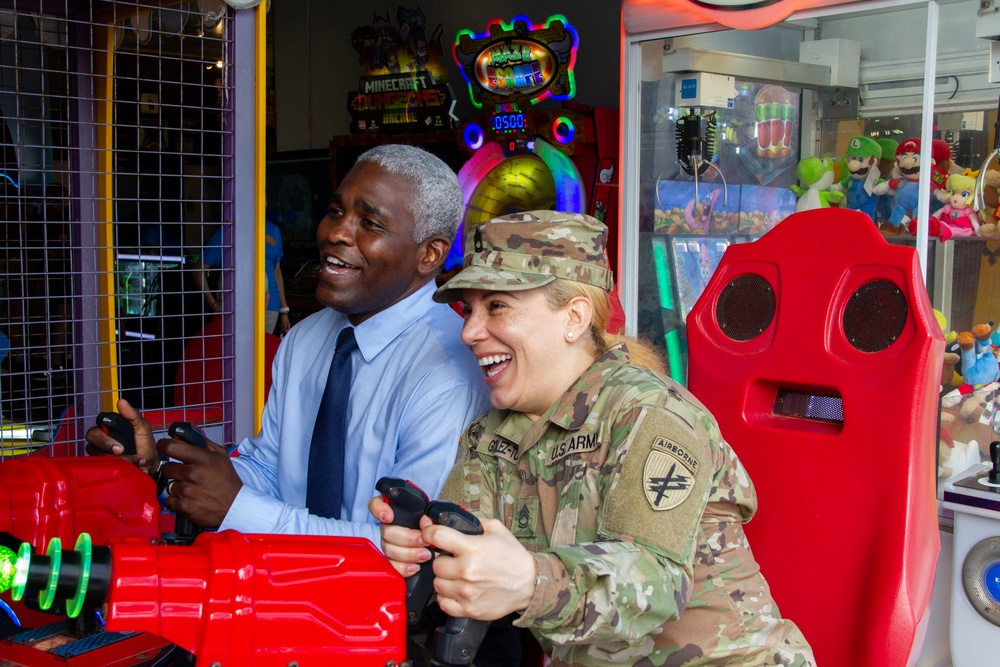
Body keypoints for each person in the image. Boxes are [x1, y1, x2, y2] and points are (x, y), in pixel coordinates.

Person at [370, 211, 816, 667]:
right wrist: (424, 555)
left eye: (497, 306)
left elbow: (658, 585)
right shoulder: (490, 436)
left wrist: (530, 582)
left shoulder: (649, 413)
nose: (468, 332)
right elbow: (470, 567)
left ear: (575, 317)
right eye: (469, 310)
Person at [87, 144, 490, 544]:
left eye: (370, 223)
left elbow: (405, 548)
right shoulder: (304, 339)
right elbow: (270, 471)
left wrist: (236, 509)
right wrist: (166, 469)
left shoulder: (449, 375)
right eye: (335, 211)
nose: (334, 233)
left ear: (429, 254)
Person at [264, 219, 291, 336]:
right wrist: (214, 305)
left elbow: (277, 271)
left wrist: (284, 311)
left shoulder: (273, 230)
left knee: (265, 343)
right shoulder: (237, 228)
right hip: (243, 301)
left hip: (271, 303)